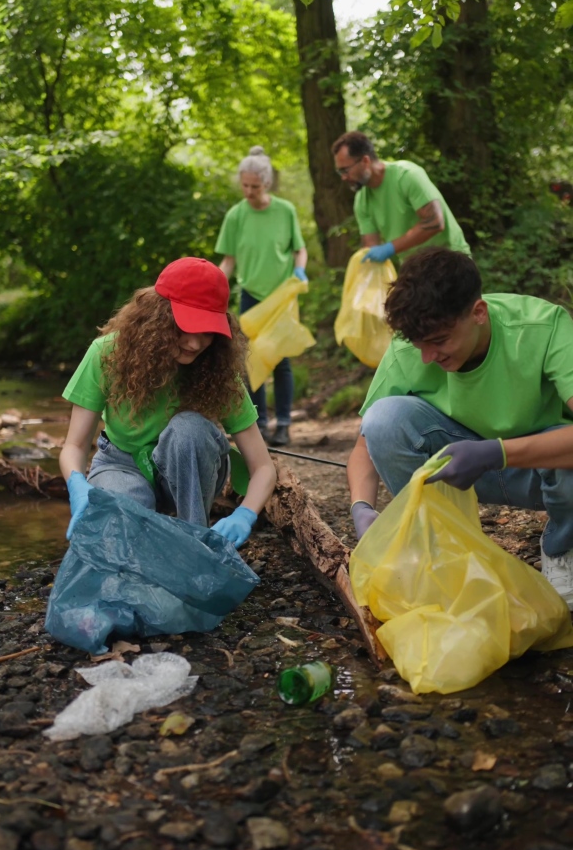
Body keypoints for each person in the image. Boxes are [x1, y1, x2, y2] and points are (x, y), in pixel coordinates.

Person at [347, 247, 573, 608]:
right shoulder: (413, 344)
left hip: (544, 472)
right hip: (461, 469)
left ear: (478, 313)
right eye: (418, 344)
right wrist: (361, 507)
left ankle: (563, 546)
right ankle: (441, 553)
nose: (427, 357)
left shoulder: (540, 328)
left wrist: (495, 453)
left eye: (439, 341)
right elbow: (365, 446)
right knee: (383, 419)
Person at [59, 257, 277, 550]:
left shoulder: (217, 370)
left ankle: (193, 542)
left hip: (189, 471)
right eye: (186, 327)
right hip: (122, 466)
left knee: (189, 429)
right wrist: (77, 486)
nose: (196, 344)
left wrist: (245, 514)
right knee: (123, 530)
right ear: (157, 318)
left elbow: (263, 466)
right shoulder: (107, 354)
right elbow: (74, 446)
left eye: (208, 331)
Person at [216, 146, 308, 447]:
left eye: (254, 186)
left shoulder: (285, 211)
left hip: (281, 297)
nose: (249, 191)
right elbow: (228, 261)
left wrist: (300, 271)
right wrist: (213, 286)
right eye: (244, 185)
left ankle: (284, 424)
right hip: (251, 298)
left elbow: (299, 248)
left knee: (279, 361)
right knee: (252, 361)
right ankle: (260, 425)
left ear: (266, 183)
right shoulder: (235, 215)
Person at [332, 131, 471, 263]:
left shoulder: (406, 175)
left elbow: (434, 222)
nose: (343, 177)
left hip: (451, 262)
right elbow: (371, 247)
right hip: (415, 269)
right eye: (339, 172)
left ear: (365, 161)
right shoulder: (362, 200)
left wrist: (390, 248)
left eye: (345, 170)